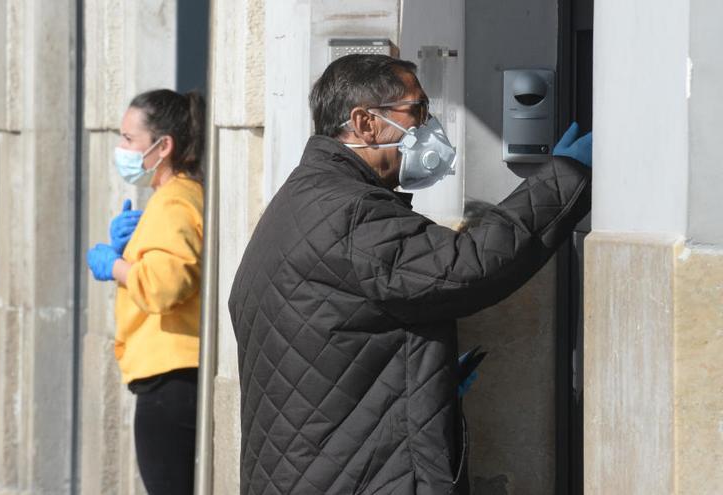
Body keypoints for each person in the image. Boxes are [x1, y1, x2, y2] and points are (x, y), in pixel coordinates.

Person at [228, 54, 591, 494]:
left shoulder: (307, 197)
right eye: (417, 111)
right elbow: (467, 267)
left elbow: (333, 338)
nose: (430, 125)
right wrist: (567, 177)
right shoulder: (349, 212)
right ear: (364, 123)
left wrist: (422, 380)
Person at [86, 89, 205, 495]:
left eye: (128, 139)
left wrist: (115, 265)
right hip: (169, 375)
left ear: (164, 146)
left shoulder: (174, 202)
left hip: (171, 378)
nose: (121, 148)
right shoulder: (171, 199)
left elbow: (165, 285)